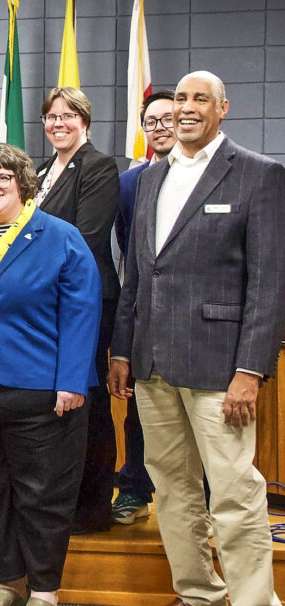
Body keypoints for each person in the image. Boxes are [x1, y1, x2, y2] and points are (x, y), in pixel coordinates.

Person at [109, 70, 285, 606]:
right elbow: (138, 276)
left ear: (222, 108)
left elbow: (269, 283)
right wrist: (121, 349)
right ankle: (198, 594)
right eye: (180, 98)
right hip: (152, 366)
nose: (186, 108)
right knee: (172, 489)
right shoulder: (150, 178)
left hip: (220, 370)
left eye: (199, 99)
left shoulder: (258, 175)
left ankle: (255, 600)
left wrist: (250, 371)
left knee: (234, 493)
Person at [0, 144, 101, 606]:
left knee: (41, 497)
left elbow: (82, 312)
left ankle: (45, 590)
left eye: (2, 178)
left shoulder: (59, 236)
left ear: (23, 185)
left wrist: (71, 380)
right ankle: (9, 582)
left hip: (39, 392)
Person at [34, 87, 120, 535]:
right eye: (51, 117)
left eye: (68, 116)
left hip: (86, 299)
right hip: (46, 303)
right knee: (58, 400)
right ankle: (59, 498)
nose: (58, 124)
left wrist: (31, 272)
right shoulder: (43, 169)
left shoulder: (99, 167)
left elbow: (85, 238)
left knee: (87, 396)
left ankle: (92, 505)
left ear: (85, 121)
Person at [110, 90, 176, 527]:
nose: (159, 128)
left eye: (167, 119)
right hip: (142, 317)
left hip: (194, 325)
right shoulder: (130, 182)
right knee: (139, 412)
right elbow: (128, 251)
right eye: (151, 122)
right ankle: (135, 489)